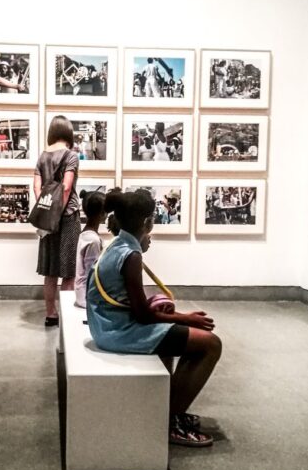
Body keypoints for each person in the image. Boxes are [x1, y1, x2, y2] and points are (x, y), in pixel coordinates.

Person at [86, 189, 222, 447]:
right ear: (148, 222)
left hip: (106, 326)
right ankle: (169, 419)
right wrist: (187, 319)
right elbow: (144, 315)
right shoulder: (131, 254)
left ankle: (171, 410)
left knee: (194, 343)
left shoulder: (119, 245)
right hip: (119, 331)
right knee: (211, 344)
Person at [34, 115, 81, 327]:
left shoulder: (43, 156)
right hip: (68, 216)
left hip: (47, 219)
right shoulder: (71, 156)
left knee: (50, 270)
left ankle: (51, 314)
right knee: (68, 270)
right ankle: (66, 316)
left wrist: (47, 213)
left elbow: (37, 187)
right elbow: (67, 187)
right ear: (68, 133)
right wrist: (58, 213)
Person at [74, 190, 106, 308]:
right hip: (87, 297)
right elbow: (91, 274)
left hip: (82, 292)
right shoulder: (93, 240)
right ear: (102, 213)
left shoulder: (86, 234)